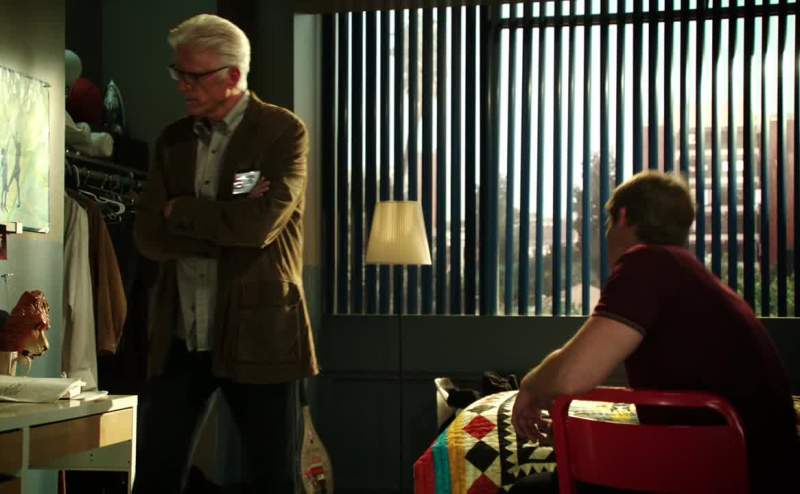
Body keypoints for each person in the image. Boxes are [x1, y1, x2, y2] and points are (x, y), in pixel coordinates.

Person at [510, 171, 798, 493]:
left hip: (723, 476)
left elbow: (573, 376)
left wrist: (530, 385)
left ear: (622, 217)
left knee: (529, 491)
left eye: (608, 224)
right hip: (747, 470)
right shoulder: (688, 276)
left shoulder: (645, 264)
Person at [133, 13, 318, 493]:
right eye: (178, 74)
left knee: (272, 479)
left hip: (261, 333)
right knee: (154, 475)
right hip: (181, 333)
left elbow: (258, 227)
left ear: (233, 74)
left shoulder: (282, 132)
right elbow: (149, 235)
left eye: (193, 76)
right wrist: (224, 219)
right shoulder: (172, 140)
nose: (182, 86)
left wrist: (183, 210)